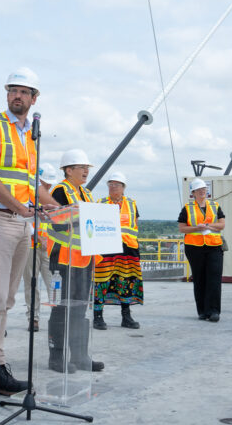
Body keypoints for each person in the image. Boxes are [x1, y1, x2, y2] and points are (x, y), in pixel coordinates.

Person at [0, 68, 56, 410]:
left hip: (21, 223)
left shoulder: (29, 135)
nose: (17, 96)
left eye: (24, 91)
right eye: (12, 90)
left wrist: (66, 209)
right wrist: (21, 208)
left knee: (6, 301)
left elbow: (32, 183)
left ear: (35, 98)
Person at [46, 149, 104, 373]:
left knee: (80, 309)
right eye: (82, 167)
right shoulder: (60, 191)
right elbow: (58, 221)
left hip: (84, 258)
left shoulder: (87, 194)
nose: (86, 171)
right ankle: (57, 357)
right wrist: (84, 214)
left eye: (87, 168)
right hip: (64, 259)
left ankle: (80, 356)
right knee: (63, 308)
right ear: (68, 170)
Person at [94, 170, 144, 329]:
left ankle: (126, 316)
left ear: (123, 187)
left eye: (116, 185)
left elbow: (134, 224)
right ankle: (98, 316)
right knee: (102, 281)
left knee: (126, 281)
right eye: (110, 185)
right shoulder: (100, 203)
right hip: (106, 249)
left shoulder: (132, 203)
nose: (113, 187)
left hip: (128, 249)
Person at [178, 179, 226, 321]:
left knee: (214, 278)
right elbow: (182, 228)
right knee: (200, 279)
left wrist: (209, 226)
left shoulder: (215, 205)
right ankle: (203, 311)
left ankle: (214, 311)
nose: (202, 191)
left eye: (204, 189)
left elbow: (222, 224)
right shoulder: (187, 208)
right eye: (199, 190)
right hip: (194, 247)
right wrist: (196, 228)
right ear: (193, 193)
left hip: (214, 246)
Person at [22, 162, 58, 331]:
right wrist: (36, 237)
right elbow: (24, 221)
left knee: (53, 282)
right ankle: (33, 318)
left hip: (48, 248)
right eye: (45, 183)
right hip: (30, 246)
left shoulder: (48, 201)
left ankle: (57, 315)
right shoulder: (27, 198)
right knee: (32, 283)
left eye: (49, 184)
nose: (48, 186)